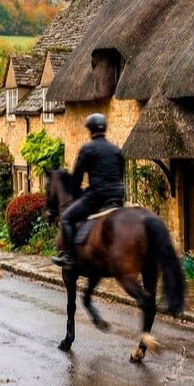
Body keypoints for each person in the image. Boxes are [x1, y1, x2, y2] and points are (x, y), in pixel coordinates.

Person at [51, 113, 126, 270]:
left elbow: (77, 178)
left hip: (97, 197)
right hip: (117, 198)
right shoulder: (116, 149)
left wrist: (77, 193)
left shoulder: (88, 149)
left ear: (90, 130)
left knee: (66, 217)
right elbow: (121, 174)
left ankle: (69, 257)